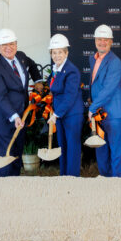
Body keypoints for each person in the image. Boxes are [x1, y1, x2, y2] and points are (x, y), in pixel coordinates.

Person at [0, 28, 43, 177]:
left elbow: (31, 64)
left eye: (11, 44)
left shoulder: (21, 56)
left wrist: (37, 80)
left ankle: (15, 184)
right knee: (6, 153)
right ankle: (5, 187)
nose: (8, 48)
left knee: (17, 151)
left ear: (16, 44)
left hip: (21, 113)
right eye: (4, 45)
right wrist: (14, 116)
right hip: (3, 118)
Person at [88, 24, 121, 177]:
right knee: (101, 149)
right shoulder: (94, 59)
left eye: (106, 40)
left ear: (111, 42)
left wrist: (92, 108)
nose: (102, 42)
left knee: (116, 150)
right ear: (95, 40)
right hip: (100, 113)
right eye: (99, 39)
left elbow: (109, 89)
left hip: (114, 113)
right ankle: (105, 180)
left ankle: (116, 183)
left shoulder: (115, 62)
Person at [47, 33, 85, 176]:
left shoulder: (71, 70)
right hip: (61, 114)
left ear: (66, 53)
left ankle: (73, 178)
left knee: (72, 147)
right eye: (54, 52)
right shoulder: (56, 69)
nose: (57, 56)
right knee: (63, 146)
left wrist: (56, 114)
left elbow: (69, 96)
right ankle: (64, 177)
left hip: (72, 114)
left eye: (60, 52)